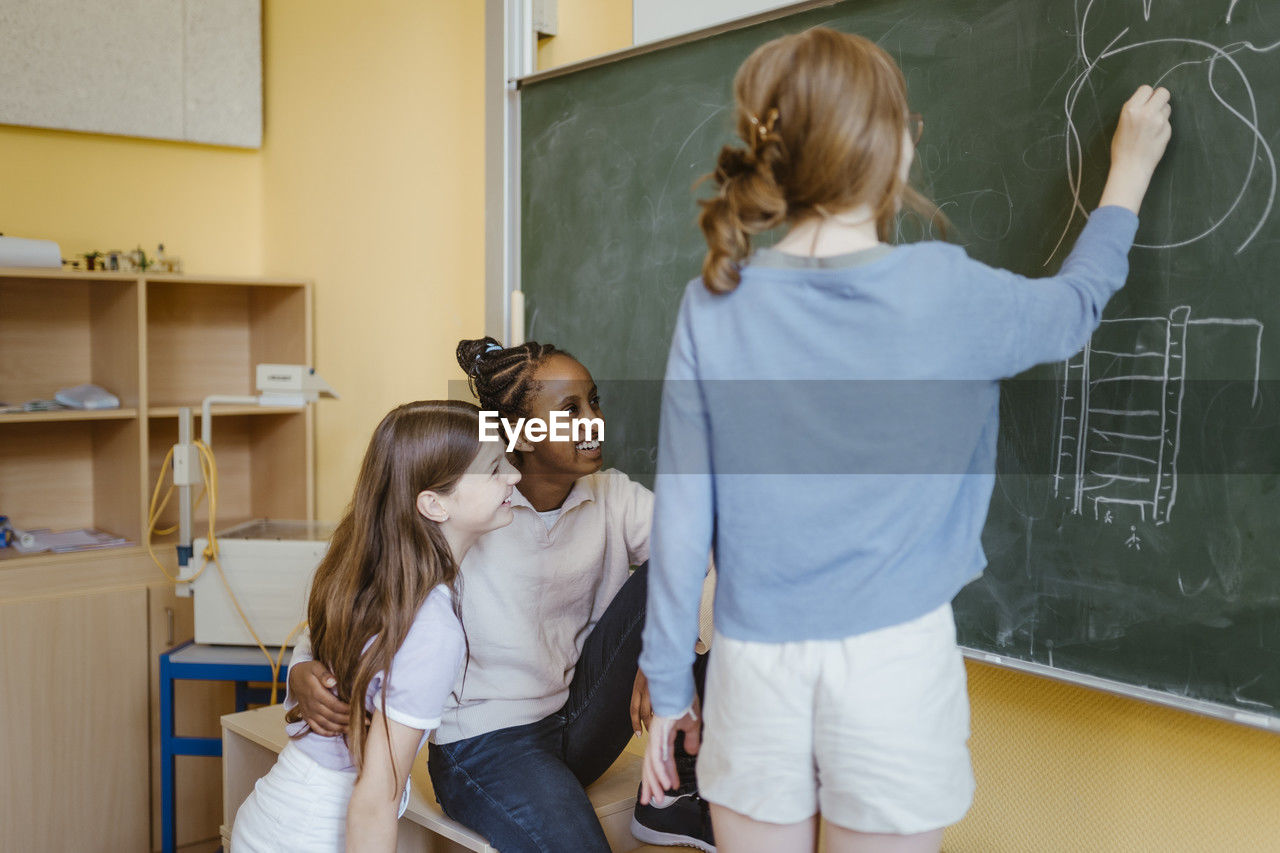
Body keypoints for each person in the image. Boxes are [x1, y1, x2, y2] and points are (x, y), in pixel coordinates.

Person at [638, 27, 1172, 853]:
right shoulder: (947, 292)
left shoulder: (713, 302)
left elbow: (680, 519)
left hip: (755, 664)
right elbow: (1073, 308)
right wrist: (1128, 173)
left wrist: (671, 686)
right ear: (897, 147)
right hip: (893, 666)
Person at [289, 338, 715, 852]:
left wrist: (667, 642)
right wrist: (303, 665)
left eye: (594, 402)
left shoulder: (611, 496)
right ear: (521, 435)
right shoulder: (470, 510)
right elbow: (361, 598)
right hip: (487, 744)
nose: (594, 421)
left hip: (578, 720)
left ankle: (671, 793)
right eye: (570, 410)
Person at [232, 400, 521, 852]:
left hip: (271, 815)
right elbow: (374, 801)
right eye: (495, 468)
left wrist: (300, 669)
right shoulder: (432, 626)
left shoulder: (368, 572)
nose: (515, 477)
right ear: (434, 503)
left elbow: (320, 649)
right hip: (312, 834)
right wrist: (301, 671)